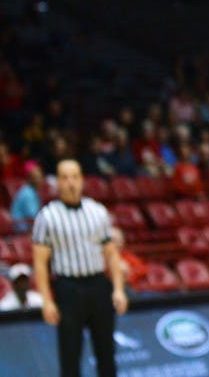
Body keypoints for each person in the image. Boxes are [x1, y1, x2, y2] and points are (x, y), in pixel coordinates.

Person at [31, 159, 128, 377]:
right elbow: (40, 263)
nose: (70, 182)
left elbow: (112, 254)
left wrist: (119, 289)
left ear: (82, 180)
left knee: (107, 354)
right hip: (68, 288)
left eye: (74, 176)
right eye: (64, 178)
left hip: (98, 285)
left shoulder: (98, 211)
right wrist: (47, 301)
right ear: (57, 183)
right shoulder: (47, 216)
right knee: (70, 356)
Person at [10, 159, 44, 232]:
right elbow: (33, 217)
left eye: (40, 176)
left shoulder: (32, 190)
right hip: (21, 229)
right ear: (29, 178)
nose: (39, 179)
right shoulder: (27, 193)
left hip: (27, 227)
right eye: (36, 177)